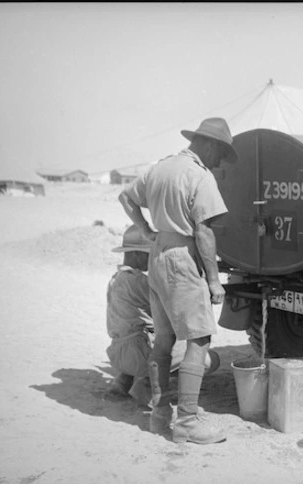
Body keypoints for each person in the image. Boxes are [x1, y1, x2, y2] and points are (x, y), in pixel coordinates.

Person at [118, 117, 236, 444]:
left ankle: (159, 414)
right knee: (199, 340)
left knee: (164, 340)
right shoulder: (199, 176)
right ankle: (187, 421)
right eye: (221, 153)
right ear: (209, 144)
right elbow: (204, 231)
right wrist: (214, 281)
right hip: (182, 259)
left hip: (157, 256)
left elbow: (126, 198)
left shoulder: (160, 167)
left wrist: (144, 230)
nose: (220, 161)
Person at [106, 225, 220, 407]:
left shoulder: (116, 279)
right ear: (136, 254)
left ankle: (122, 381)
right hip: (137, 355)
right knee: (208, 359)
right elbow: (171, 308)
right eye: (149, 254)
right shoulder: (139, 282)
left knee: (136, 328)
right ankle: (146, 386)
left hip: (117, 354)